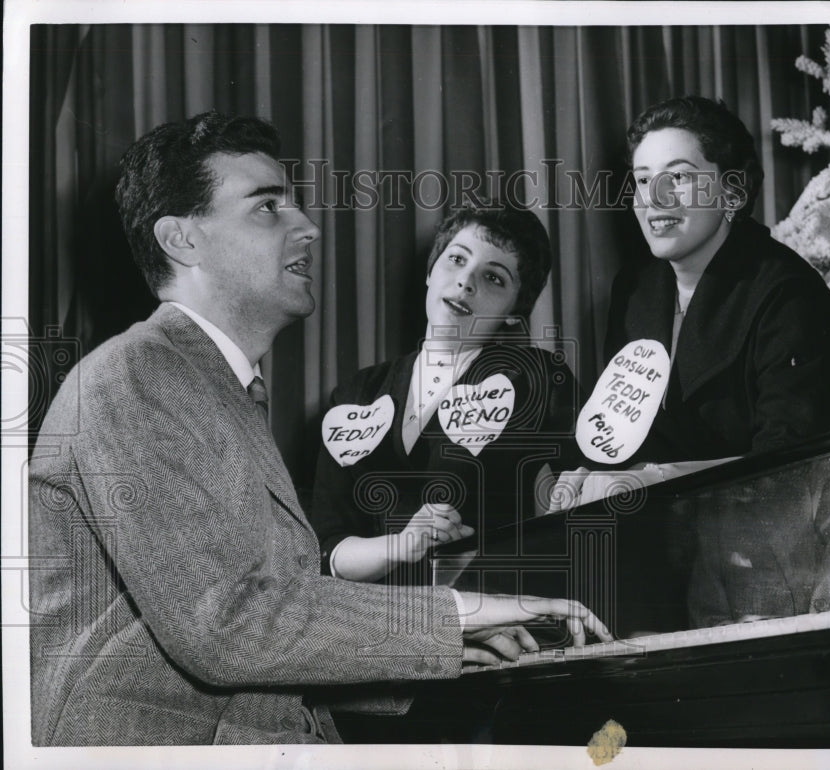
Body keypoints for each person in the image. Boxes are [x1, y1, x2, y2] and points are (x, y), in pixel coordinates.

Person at [28, 112, 611, 746]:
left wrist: (453, 644)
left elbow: (278, 620)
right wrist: (456, 614)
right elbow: (227, 625)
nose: (307, 225)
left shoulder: (219, 388)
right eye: (267, 206)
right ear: (182, 240)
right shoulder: (136, 376)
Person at [553, 96, 830, 509]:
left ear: (732, 191)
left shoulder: (790, 296)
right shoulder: (635, 289)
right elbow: (625, 432)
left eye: (679, 176)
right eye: (643, 179)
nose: (656, 198)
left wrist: (656, 479)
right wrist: (589, 471)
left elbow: (792, 468)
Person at [310, 205, 578, 584]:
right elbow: (326, 548)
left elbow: (586, 494)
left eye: (494, 278)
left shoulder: (536, 379)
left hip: (489, 606)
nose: (466, 282)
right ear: (429, 272)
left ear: (515, 311)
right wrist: (399, 546)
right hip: (373, 614)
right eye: (456, 259)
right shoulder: (357, 394)